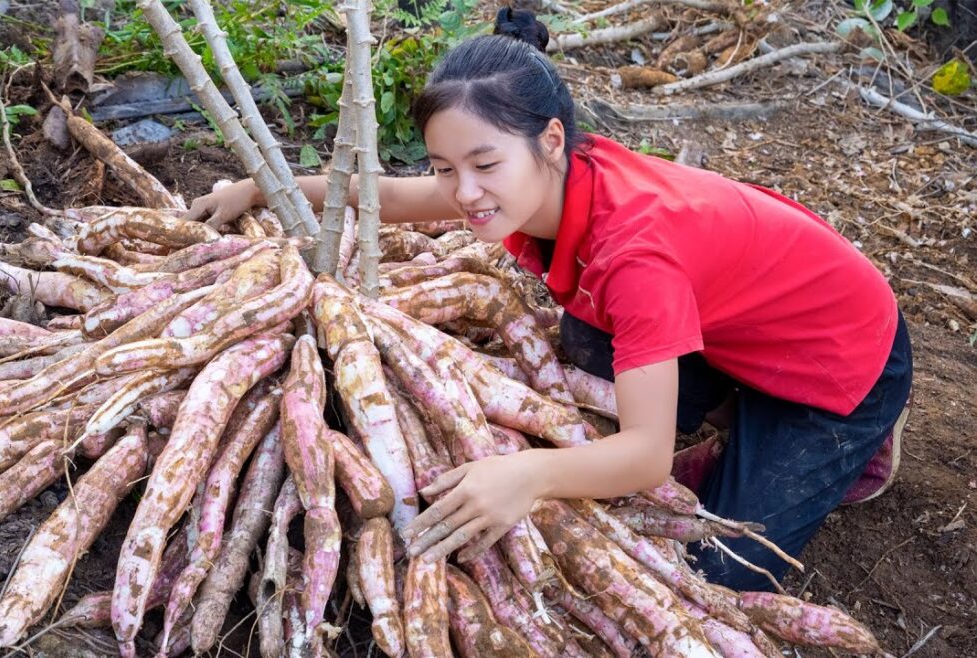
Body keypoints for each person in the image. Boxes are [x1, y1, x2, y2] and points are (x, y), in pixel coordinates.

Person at [183, 9, 913, 591]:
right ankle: (745, 424)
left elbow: (648, 458)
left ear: (552, 139)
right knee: (590, 340)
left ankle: (853, 449)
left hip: (842, 367)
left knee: (715, 568)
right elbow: (388, 195)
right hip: (746, 330)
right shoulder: (557, 187)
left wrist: (526, 476)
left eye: (485, 164)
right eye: (445, 166)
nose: (464, 192)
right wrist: (256, 186)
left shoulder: (636, 256)